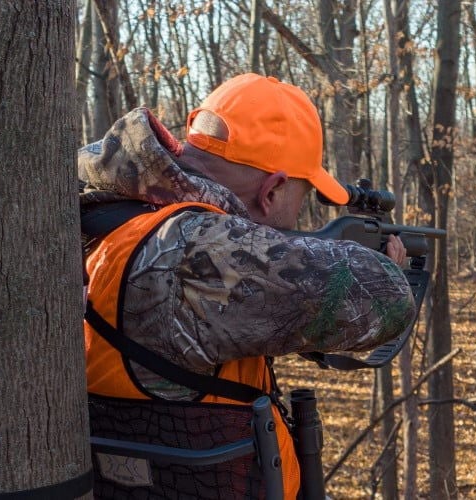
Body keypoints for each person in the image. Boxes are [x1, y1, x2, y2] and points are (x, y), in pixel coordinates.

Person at [79, 74, 415, 498]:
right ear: (273, 190)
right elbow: (384, 300)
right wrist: (388, 268)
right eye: (301, 193)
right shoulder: (198, 251)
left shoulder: (104, 211)